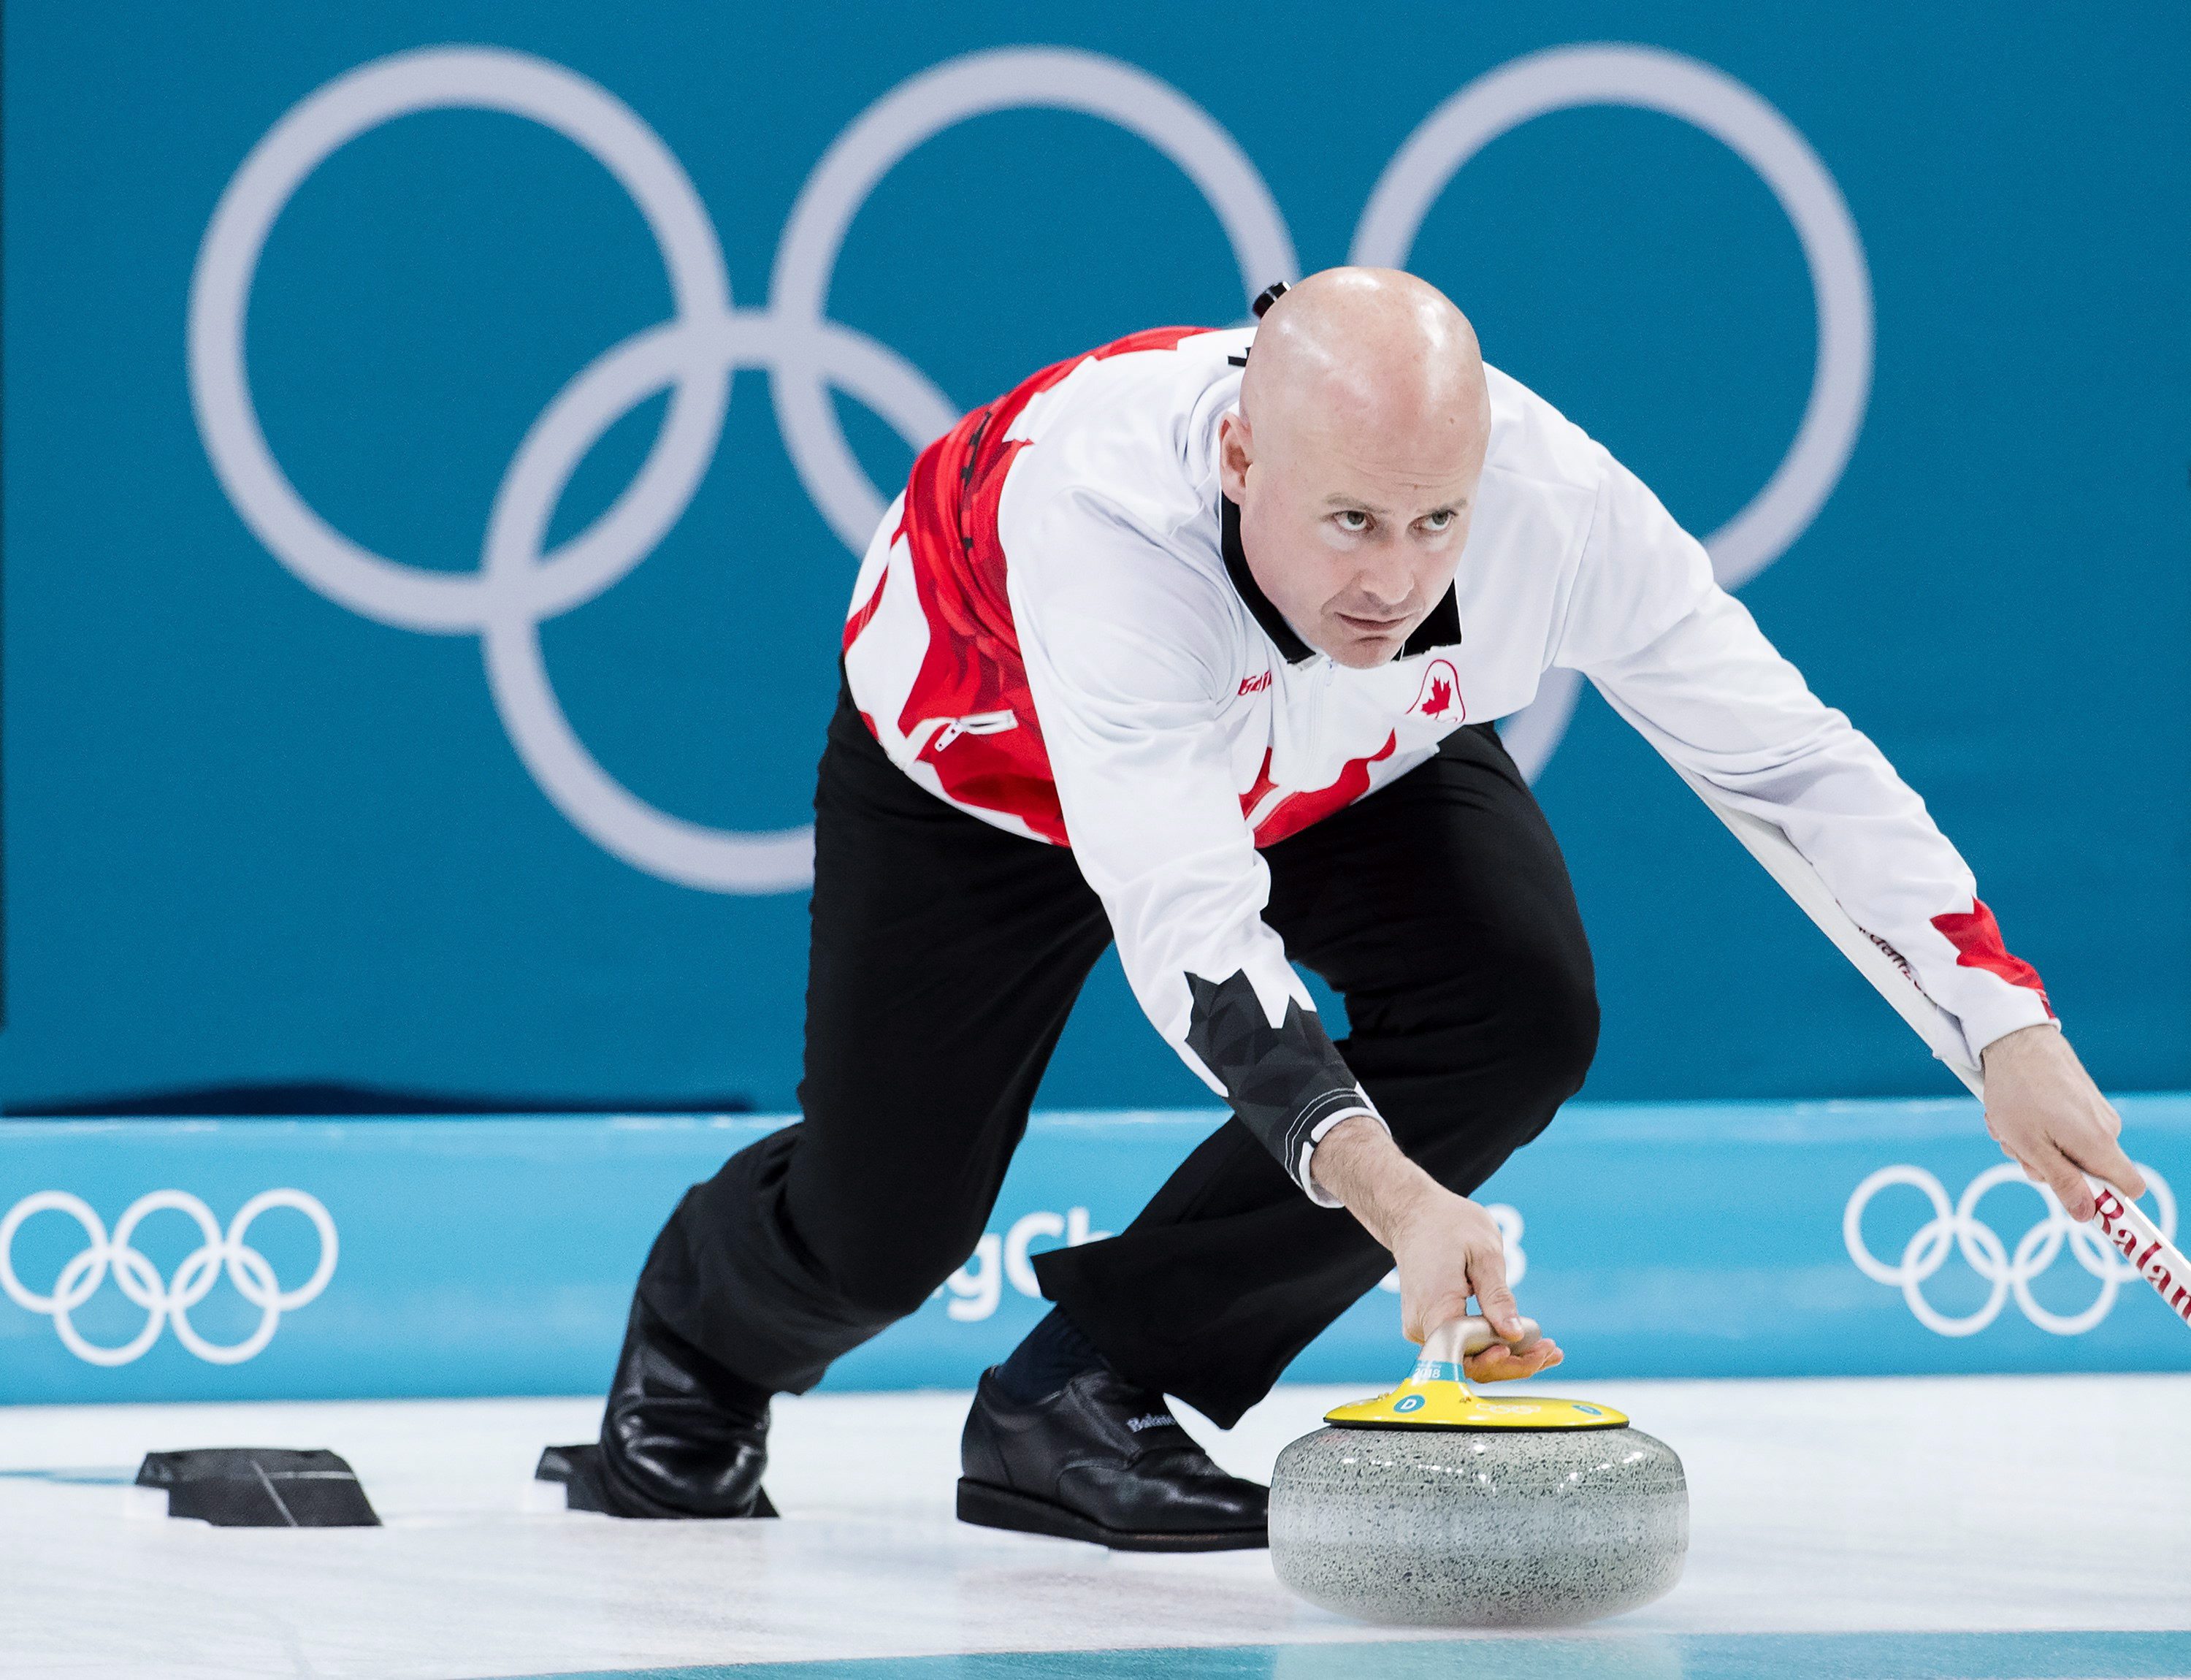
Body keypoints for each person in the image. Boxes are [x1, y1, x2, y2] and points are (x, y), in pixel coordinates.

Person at [556, 268, 2142, 1549]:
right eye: (1353, 523)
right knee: (881, 1233)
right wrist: (1394, 1197)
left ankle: (1089, 1389)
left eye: (1437, 522)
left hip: (1337, 751)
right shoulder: (1104, 519)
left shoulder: (1555, 502)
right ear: (1245, 461)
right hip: (993, 777)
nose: (1396, 577)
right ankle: (700, 1344)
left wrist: (2000, 1027)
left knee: (1519, 1007)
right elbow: (1193, 937)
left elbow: (1786, 761)